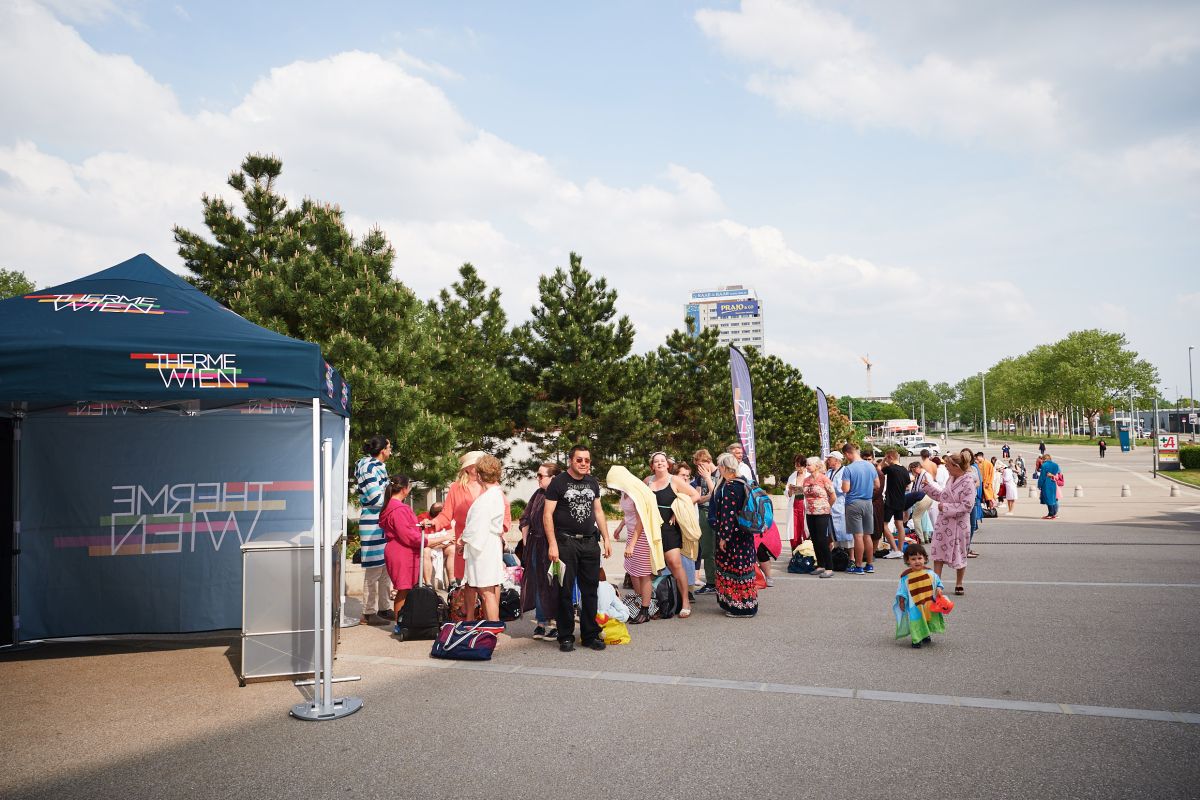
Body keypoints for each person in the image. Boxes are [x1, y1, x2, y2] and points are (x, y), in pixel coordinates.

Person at [544, 444, 612, 652]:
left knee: (590, 590)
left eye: (587, 460)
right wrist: (552, 544)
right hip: (566, 542)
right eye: (579, 459)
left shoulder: (592, 482)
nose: (583, 463)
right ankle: (565, 636)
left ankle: (590, 635)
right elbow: (547, 515)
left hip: (590, 542)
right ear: (571, 461)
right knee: (564, 591)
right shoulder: (558, 482)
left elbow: (598, 511)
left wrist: (606, 539)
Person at [430, 451, 509, 613]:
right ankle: (469, 618)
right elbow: (446, 514)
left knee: (490, 586)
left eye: (478, 465)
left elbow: (504, 513)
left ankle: (490, 619)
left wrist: (500, 531)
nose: (476, 467)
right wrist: (433, 522)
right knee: (468, 583)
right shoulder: (456, 487)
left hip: (485, 540)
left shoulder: (491, 487)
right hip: (465, 538)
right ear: (466, 468)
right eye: (473, 465)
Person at [381, 475, 450, 622]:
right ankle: (400, 623)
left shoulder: (392, 507)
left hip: (400, 550)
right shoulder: (398, 509)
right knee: (403, 590)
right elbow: (408, 536)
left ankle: (405, 622)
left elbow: (406, 530)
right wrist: (440, 538)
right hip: (402, 552)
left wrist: (420, 526)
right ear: (404, 489)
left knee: (405, 590)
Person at [644, 451, 701, 617]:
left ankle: (685, 601)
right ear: (652, 466)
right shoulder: (647, 481)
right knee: (652, 567)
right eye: (656, 461)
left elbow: (695, 495)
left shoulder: (674, 480)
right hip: (651, 528)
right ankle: (657, 602)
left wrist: (679, 510)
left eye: (663, 461)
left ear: (668, 465)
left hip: (669, 528)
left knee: (674, 563)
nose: (660, 463)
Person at [606, 465, 664, 625]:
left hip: (642, 535)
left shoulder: (635, 493)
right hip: (633, 533)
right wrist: (620, 526)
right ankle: (641, 602)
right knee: (632, 570)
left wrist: (631, 544)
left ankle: (645, 610)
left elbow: (641, 520)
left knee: (643, 573)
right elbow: (628, 515)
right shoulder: (625, 491)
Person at [918, 450, 977, 596]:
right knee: (938, 552)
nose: (946, 468)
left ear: (956, 466)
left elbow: (967, 505)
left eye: (948, 465)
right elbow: (942, 496)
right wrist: (928, 487)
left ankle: (959, 583)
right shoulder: (950, 479)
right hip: (944, 523)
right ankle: (936, 583)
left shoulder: (968, 482)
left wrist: (945, 507)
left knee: (960, 552)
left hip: (959, 524)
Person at [708, 453, 757, 617]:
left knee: (734, 570)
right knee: (744, 569)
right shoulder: (743, 482)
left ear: (723, 467)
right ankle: (748, 604)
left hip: (733, 537)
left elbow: (728, 515)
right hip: (745, 534)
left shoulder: (730, 487)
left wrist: (724, 537)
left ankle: (739, 607)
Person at [461, 455, 508, 621]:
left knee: (487, 593)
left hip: (483, 548)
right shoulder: (496, 494)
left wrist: (462, 540)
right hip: (489, 544)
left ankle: (493, 629)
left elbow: (476, 526)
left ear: (480, 476)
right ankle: (492, 628)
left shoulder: (487, 498)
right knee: (488, 592)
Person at [354, 435, 394, 625]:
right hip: (372, 521)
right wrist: (393, 501)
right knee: (374, 569)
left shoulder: (376, 467)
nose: (391, 450)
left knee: (385, 566)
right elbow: (375, 498)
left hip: (381, 521)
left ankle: (384, 608)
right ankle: (368, 612)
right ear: (382, 450)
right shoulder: (369, 467)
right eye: (389, 447)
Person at [518, 464, 561, 640]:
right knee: (538, 582)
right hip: (536, 545)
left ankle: (557, 624)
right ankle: (541, 622)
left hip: (553, 545)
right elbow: (525, 518)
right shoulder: (538, 494)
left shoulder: (560, 494)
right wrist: (526, 541)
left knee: (554, 583)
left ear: (553, 478)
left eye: (541, 475)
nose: (538, 478)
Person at [892, 543, 948, 649]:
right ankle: (916, 639)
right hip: (914, 605)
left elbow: (938, 582)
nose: (917, 561)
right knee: (916, 620)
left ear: (925, 559)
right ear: (908, 561)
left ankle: (926, 634)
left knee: (927, 618)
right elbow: (902, 591)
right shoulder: (906, 577)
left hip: (928, 603)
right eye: (913, 559)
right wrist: (902, 601)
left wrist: (939, 589)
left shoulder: (930, 573)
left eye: (919, 558)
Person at [840, 443, 880, 575]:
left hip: (853, 503)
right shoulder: (870, 466)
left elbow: (845, 489)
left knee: (858, 536)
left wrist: (844, 487)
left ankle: (858, 566)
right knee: (867, 535)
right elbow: (877, 485)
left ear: (848, 453)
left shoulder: (848, 469)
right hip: (868, 502)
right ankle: (869, 564)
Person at [801, 456, 836, 578]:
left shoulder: (824, 479)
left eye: (809, 464)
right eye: (806, 465)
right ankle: (820, 565)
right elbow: (804, 494)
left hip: (822, 512)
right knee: (815, 539)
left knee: (822, 539)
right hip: (810, 512)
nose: (807, 467)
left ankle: (829, 567)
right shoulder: (806, 480)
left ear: (816, 466)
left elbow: (833, 496)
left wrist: (827, 507)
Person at [690, 449, 719, 595]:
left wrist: (708, 478)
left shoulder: (720, 473)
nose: (699, 469)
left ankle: (716, 582)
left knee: (716, 550)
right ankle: (711, 582)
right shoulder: (700, 476)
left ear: (709, 461)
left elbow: (717, 495)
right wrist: (709, 495)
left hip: (716, 514)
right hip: (703, 513)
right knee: (707, 550)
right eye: (697, 466)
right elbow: (698, 497)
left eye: (701, 465)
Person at [880, 450, 910, 556]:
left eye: (887, 458)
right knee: (899, 524)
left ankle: (895, 549)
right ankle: (900, 550)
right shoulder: (905, 470)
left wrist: (883, 461)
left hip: (890, 501)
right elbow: (907, 484)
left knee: (883, 525)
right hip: (901, 500)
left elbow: (879, 470)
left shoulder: (891, 468)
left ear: (890, 457)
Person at [785, 454, 808, 548]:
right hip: (794, 505)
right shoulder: (792, 476)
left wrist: (802, 490)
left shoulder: (809, 475)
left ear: (804, 465)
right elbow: (787, 491)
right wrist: (790, 491)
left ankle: (807, 550)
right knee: (794, 529)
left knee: (806, 528)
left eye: (800, 466)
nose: (798, 468)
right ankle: (795, 550)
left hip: (805, 504)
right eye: (796, 465)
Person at [1038, 452, 1062, 520]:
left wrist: (1039, 484)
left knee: (1048, 499)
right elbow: (1058, 475)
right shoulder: (1056, 465)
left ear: (1045, 459)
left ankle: (1051, 514)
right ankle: (1054, 514)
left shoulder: (1044, 465)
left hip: (1046, 484)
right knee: (1053, 499)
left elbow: (1042, 477)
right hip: (1053, 483)